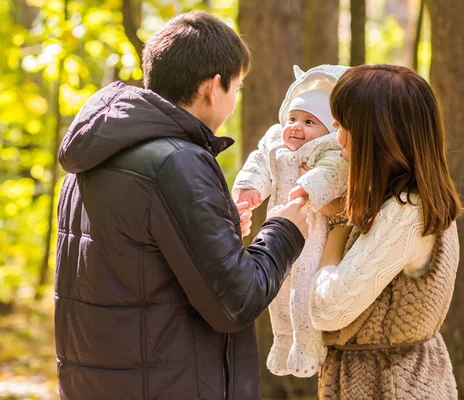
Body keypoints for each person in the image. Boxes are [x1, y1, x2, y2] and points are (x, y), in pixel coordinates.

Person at [54, 11, 308, 400]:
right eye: (237, 88)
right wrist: (285, 230)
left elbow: (141, 264)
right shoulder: (177, 162)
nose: (235, 100)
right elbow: (236, 301)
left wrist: (220, 234)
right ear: (212, 87)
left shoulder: (90, 158)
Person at [308, 65, 462, 399]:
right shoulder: (413, 201)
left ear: (377, 136)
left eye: (344, 127)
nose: (339, 140)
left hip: (389, 385)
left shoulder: (406, 214)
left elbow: (328, 308)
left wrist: (337, 223)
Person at [232, 64, 349, 378]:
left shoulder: (328, 149)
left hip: (313, 233)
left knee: (303, 291)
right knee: (277, 291)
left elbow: (332, 175)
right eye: (293, 119)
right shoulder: (276, 143)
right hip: (279, 227)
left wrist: (307, 188)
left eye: (309, 122)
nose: (297, 127)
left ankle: (308, 346)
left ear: (327, 128)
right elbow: (258, 161)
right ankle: (283, 342)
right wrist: (249, 190)